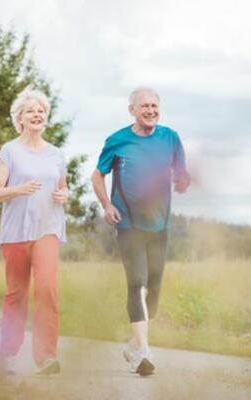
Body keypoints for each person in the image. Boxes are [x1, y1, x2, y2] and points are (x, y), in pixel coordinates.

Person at [91, 86, 191, 376]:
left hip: (160, 225)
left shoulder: (170, 137)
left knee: (155, 288)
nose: (150, 111)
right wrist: (106, 205)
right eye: (144, 106)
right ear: (132, 110)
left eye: (154, 106)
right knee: (137, 282)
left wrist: (183, 181)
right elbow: (97, 175)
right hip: (128, 223)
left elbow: (181, 173)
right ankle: (144, 352)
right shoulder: (117, 140)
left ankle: (134, 343)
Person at [0, 88, 68, 376]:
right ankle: (7, 354)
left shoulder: (56, 154)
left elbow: (62, 187)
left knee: (46, 289)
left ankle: (46, 357)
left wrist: (64, 195)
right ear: (19, 118)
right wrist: (18, 189)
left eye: (41, 111)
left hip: (47, 229)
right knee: (17, 294)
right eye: (31, 110)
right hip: (16, 232)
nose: (37, 114)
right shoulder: (9, 151)